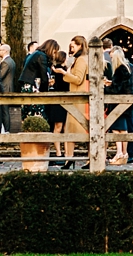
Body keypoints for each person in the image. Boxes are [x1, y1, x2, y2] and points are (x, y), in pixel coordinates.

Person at [58, 35, 89, 169]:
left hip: (79, 101)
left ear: (80, 46)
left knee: (75, 130)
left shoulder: (81, 60)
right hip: (79, 100)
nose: (71, 49)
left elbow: (78, 79)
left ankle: (70, 158)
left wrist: (63, 73)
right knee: (74, 130)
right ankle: (70, 159)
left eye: (73, 46)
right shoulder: (80, 59)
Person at [104, 47, 133, 165]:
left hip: (119, 103)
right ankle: (123, 153)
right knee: (123, 129)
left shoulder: (119, 70)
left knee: (117, 129)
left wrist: (105, 88)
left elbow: (116, 89)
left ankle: (120, 153)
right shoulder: (127, 68)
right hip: (125, 103)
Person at [46, 49, 69, 167]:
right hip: (62, 102)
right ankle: (61, 153)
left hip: (58, 101)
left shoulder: (54, 70)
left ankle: (61, 153)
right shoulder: (62, 71)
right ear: (64, 59)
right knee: (60, 127)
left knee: (59, 127)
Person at [0, 43, 18, 133]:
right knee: (5, 111)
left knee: (4, 111)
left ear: (5, 51)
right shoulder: (11, 61)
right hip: (9, 87)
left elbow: (0, 76)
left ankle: (6, 130)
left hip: (5, 89)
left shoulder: (6, 62)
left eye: (0, 50)